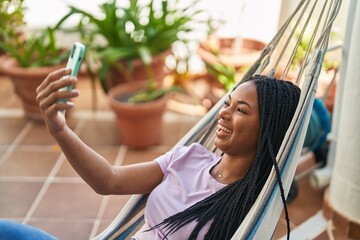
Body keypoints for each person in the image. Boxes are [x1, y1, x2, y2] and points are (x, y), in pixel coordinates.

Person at [0, 69, 300, 240]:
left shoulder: (255, 205)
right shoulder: (188, 157)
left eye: (241, 110)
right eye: (228, 103)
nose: (223, 114)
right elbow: (109, 180)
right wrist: (59, 129)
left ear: (268, 130)